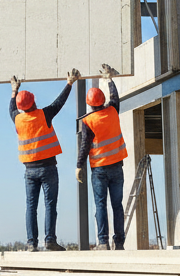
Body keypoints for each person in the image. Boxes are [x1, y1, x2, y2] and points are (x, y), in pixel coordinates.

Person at [10, 68, 80, 251]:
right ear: (33, 102)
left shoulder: (17, 119)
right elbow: (59, 103)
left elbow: (11, 107)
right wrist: (69, 83)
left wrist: (14, 90)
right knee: (50, 205)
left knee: (31, 207)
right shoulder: (43, 115)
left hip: (29, 171)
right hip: (48, 168)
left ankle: (31, 244)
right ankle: (50, 240)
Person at [76, 63, 127, 250]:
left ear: (89, 104)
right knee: (117, 206)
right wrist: (109, 79)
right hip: (116, 167)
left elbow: (85, 145)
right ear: (102, 101)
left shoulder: (88, 121)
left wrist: (79, 166)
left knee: (100, 205)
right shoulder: (113, 110)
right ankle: (119, 242)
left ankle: (103, 242)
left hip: (99, 169)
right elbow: (115, 97)